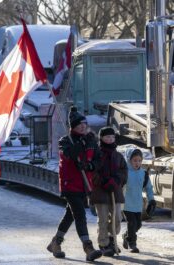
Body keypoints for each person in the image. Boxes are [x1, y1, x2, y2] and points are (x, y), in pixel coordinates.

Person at [47, 106, 102, 262]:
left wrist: (90, 166)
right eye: (79, 125)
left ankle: (55, 243)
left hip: (85, 184)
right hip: (70, 185)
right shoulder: (65, 141)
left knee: (70, 215)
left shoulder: (91, 140)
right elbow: (69, 155)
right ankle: (88, 247)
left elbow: (98, 159)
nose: (83, 126)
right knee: (80, 215)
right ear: (73, 127)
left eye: (84, 124)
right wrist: (81, 143)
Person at [90, 127, 127, 256]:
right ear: (101, 138)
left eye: (112, 137)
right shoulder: (97, 154)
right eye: (107, 137)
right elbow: (92, 172)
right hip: (100, 192)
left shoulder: (118, 155)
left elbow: (123, 171)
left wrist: (116, 181)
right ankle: (103, 243)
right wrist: (102, 181)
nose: (110, 139)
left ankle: (112, 238)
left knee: (117, 218)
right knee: (103, 219)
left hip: (115, 191)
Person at [122, 148, 155, 253]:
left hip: (137, 204)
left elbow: (149, 188)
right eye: (135, 160)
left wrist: (152, 200)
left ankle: (126, 236)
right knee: (131, 223)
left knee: (138, 225)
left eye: (139, 160)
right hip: (126, 204)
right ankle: (133, 244)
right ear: (129, 160)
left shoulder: (143, 173)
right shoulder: (125, 172)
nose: (137, 163)